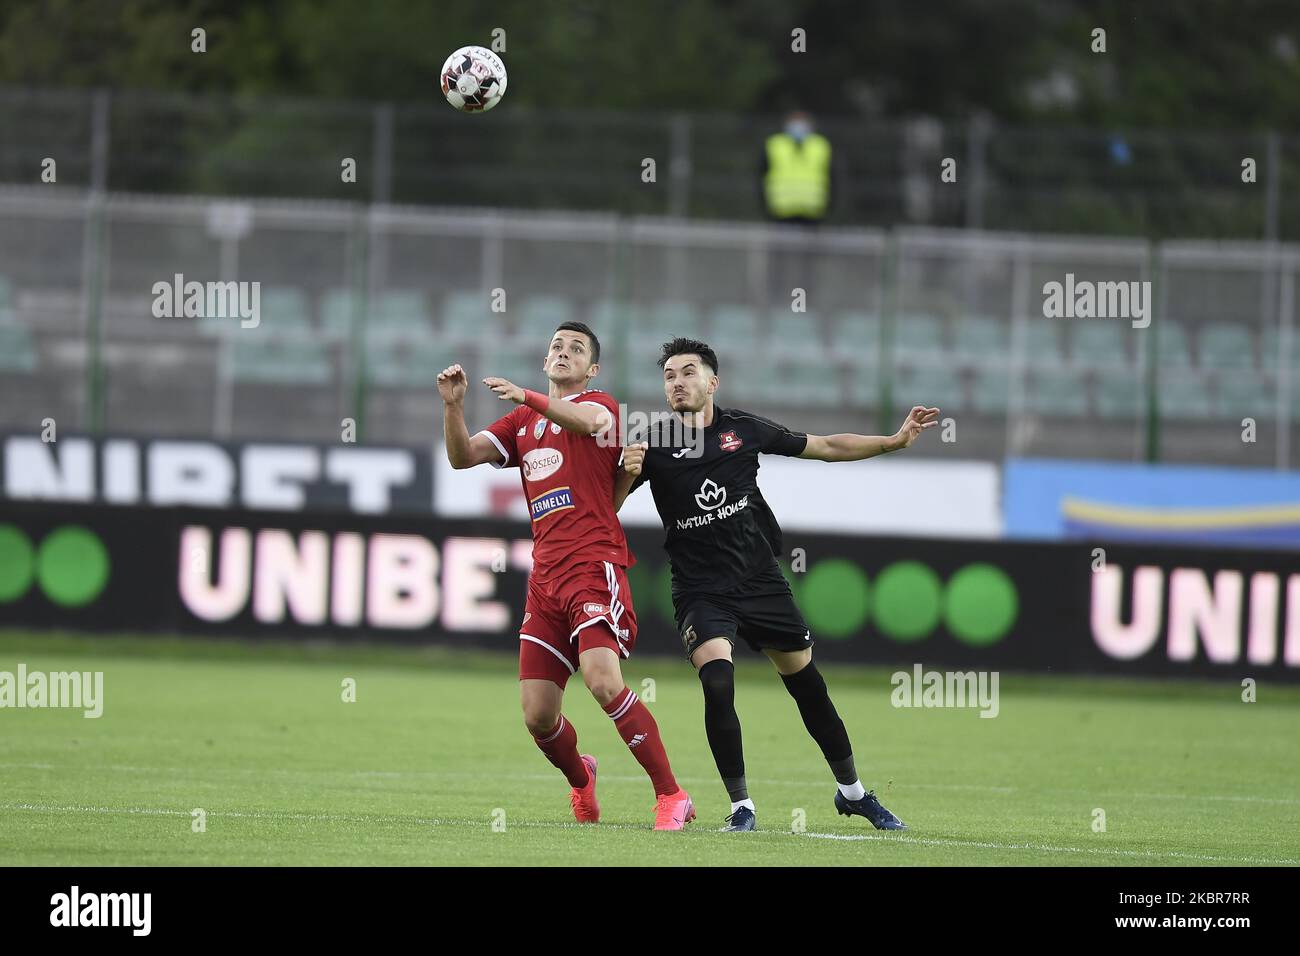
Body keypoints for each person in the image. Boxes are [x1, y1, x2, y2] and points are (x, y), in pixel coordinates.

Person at [614, 336, 939, 832]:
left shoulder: (744, 430)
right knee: (718, 683)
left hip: (759, 580)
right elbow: (607, 505)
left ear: (712, 381)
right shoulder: (651, 444)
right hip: (701, 590)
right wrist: (623, 473)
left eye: (687, 373)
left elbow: (826, 446)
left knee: (808, 687)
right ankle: (742, 807)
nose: (676, 383)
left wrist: (892, 442)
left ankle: (852, 793)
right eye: (668, 376)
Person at [437, 322, 694, 830]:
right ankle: (582, 779)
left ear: (591, 368)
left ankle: (671, 795)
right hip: (546, 578)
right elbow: (461, 457)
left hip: (594, 566)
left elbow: (580, 421)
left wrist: (527, 395)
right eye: (556, 345)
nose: (563, 352)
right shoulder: (521, 423)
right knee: (537, 716)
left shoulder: (602, 405)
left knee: (602, 681)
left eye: (576, 349)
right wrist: (453, 405)